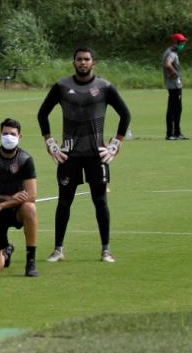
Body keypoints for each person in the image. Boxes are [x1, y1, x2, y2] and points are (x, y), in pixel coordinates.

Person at [37, 47, 131, 263]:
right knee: (64, 202)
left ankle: (106, 250)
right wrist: (50, 142)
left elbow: (125, 114)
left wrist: (115, 144)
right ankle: (58, 250)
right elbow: (42, 113)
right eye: (79, 59)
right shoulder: (61, 86)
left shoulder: (105, 87)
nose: (83, 63)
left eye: (87, 59)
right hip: (68, 154)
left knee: (100, 201)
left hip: (96, 154)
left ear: (93, 63)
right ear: (74, 63)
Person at [0, 118, 39, 277]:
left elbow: (32, 195)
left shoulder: (26, 160)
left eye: (12, 134)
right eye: (5, 133)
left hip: (15, 210)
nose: (8, 137)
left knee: (30, 207)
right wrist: (7, 199)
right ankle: (6, 251)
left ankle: (31, 261)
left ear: (20, 137)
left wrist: (1, 205)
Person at [162, 33, 188, 140]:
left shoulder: (169, 52)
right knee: (174, 109)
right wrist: (175, 75)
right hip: (174, 86)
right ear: (175, 42)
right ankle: (171, 133)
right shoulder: (172, 53)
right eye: (181, 43)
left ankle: (176, 133)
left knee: (175, 109)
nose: (182, 44)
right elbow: (168, 64)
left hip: (172, 85)